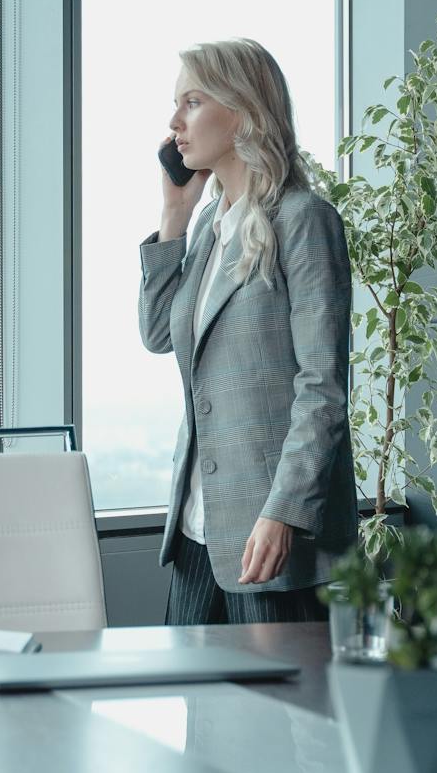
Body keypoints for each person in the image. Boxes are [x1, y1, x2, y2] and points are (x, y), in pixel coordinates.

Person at [138, 37, 358, 625]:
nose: (174, 123)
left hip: (270, 539)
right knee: (194, 716)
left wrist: (284, 510)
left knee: (274, 716)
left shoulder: (304, 221)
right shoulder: (210, 225)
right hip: (196, 534)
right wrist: (174, 218)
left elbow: (324, 387)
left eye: (191, 102)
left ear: (241, 110)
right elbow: (160, 333)